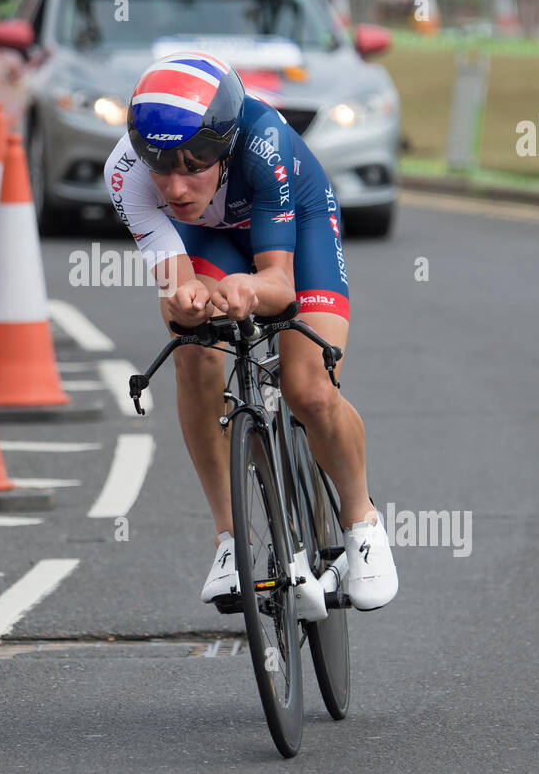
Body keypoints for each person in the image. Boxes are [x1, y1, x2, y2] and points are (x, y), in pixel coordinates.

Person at [104, 53, 398, 617]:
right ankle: (228, 539)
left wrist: (247, 289)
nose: (176, 184)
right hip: (210, 241)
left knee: (308, 386)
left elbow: (280, 287)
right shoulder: (125, 174)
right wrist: (187, 299)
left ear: (225, 144)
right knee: (193, 353)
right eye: (161, 166)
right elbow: (176, 282)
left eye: (194, 165)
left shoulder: (262, 141)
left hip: (296, 226)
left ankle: (362, 523)